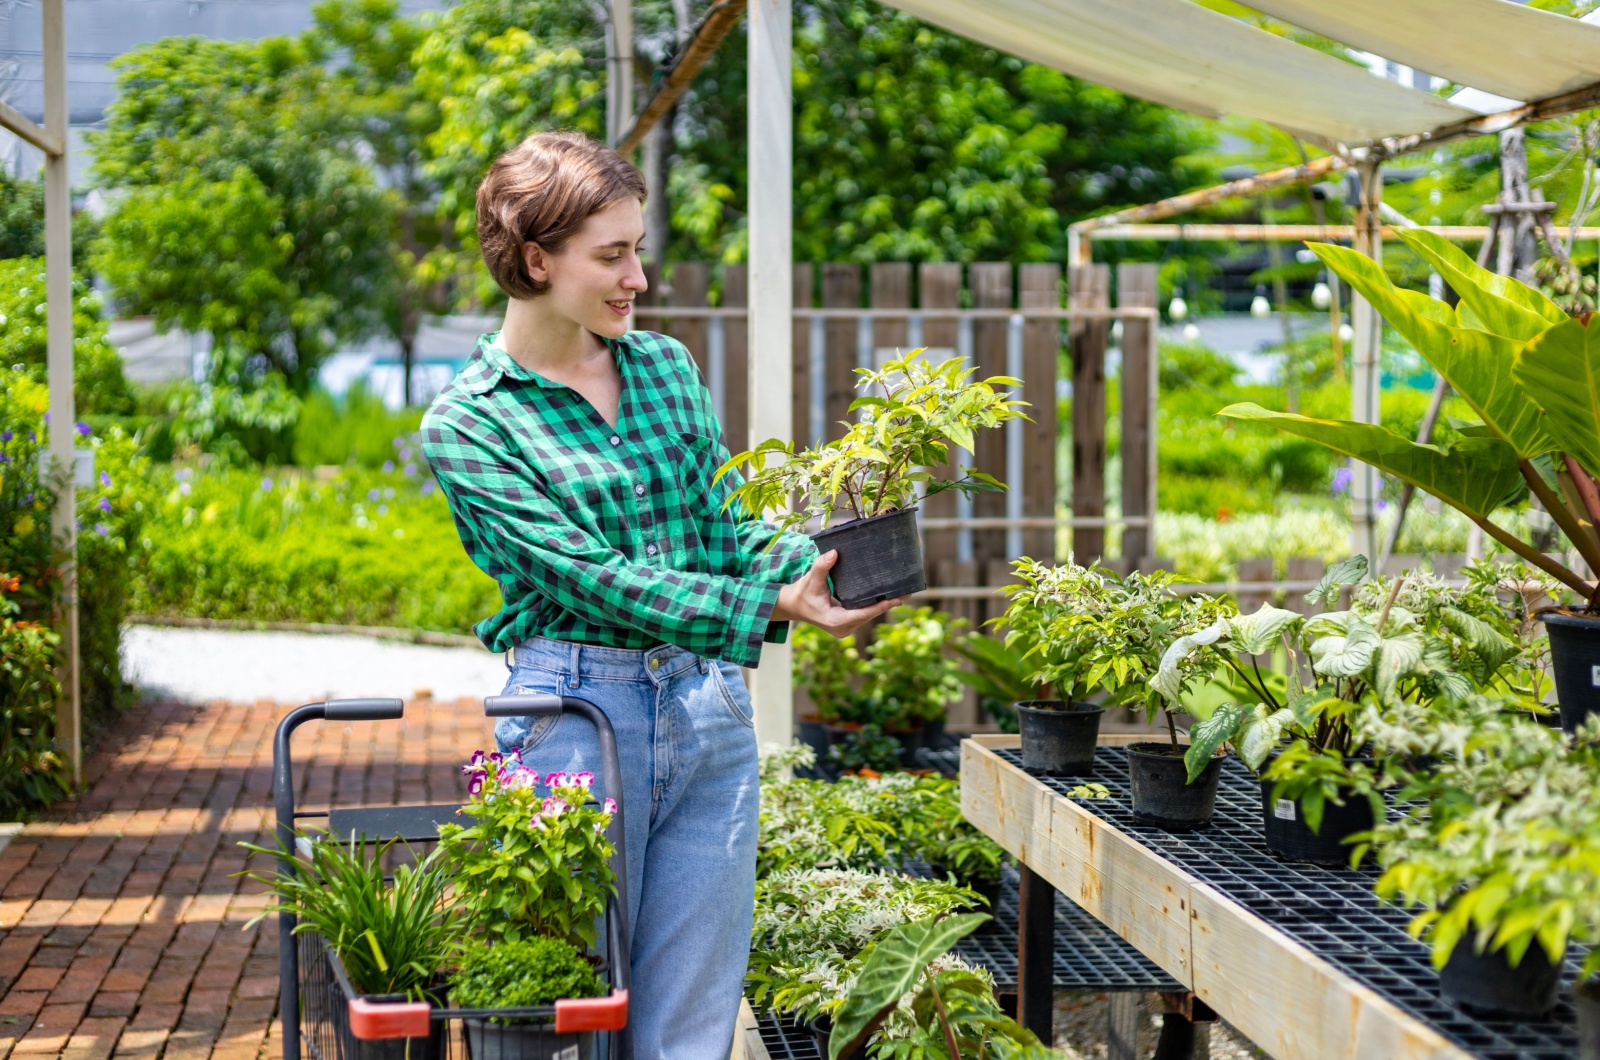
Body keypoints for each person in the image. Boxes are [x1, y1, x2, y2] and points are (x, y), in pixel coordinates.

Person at [421, 130, 900, 1058]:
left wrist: (807, 567)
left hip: (706, 702)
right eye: (612, 255)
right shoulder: (472, 424)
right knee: (570, 1025)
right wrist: (761, 608)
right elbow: (591, 577)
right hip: (576, 719)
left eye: (636, 248)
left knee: (690, 1027)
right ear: (535, 259)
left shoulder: (664, 369)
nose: (637, 276)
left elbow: (722, 527)